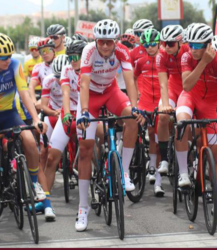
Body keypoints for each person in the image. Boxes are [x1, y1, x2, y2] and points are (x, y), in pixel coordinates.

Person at [0, 32, 48, 238]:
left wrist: (35, 120)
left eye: (9, 55)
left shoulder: (15, 65)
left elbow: (24, 92)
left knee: (30, 141)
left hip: (9, 113)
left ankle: (34, 184)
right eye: (3, 57)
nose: (8, 59)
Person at [75, 19, 146, 232]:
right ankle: (82, 208)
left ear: (115, 41)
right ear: (96, 40)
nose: (105, 46)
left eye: (109, 42)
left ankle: (123, 173)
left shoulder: (122, 51)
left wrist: (134, 107)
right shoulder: (88, 51)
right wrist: (85, 111)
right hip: (90, 98)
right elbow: (84, 83)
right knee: (86, 150)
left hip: (110, 92)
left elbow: (129, 80)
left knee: (133, 119)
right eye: (102, 42)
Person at [178, 23, 217, 223]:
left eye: (198, 45)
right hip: (189, 98)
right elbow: (186, 85)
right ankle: (184, 174)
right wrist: (203, 62)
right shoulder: (187, 56)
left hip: (209, 107)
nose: (193, 49)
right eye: (191, 44)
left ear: (208, 44)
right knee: (182, 123)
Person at [45, 41, 86, 198]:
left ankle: (104, 169)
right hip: (68, 113)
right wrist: (67, 113)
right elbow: (66, 94)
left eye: (76, 57)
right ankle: (46, 201)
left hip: (88, 111)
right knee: (51, 158)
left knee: (96, 142)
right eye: (70, 58)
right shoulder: (67, 70)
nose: (72, 60)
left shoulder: (91, 69)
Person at [156, 25, 189, 181]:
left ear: (180, 42)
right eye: (164, 43)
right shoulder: (161, 55)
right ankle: (164, 159)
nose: (166, 47)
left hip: (188, 90)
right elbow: (163, 83)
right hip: (172, 89)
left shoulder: (189, 51)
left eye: (170, 44)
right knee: (162, 116)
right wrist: (164, 104)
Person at [134, 28, 163, 196]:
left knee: (159, 140)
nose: (150, 48)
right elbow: (134, 77)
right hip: (145, 103)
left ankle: (158, 182)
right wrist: (137, 93)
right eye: (147, 45)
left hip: (160, 103)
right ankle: (151, 166)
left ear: (159, 43)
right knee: (151, 135)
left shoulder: (163, 60)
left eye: (153, 44)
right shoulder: (140, 61)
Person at [130, 19, 154, 95]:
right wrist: (136, 92)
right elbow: (132, 77)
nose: (136, 36)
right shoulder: (133, 52)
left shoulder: (159, 49)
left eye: (139, 33)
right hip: (140, 92)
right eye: (135, 33)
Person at [29, 38, 55, 106]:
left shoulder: (62, 63)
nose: (44, 54)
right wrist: (34, 102)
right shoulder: (37, 67)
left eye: (46, 50)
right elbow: (31, 86)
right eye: (41, 51)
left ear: (53, 50)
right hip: (46, 100)